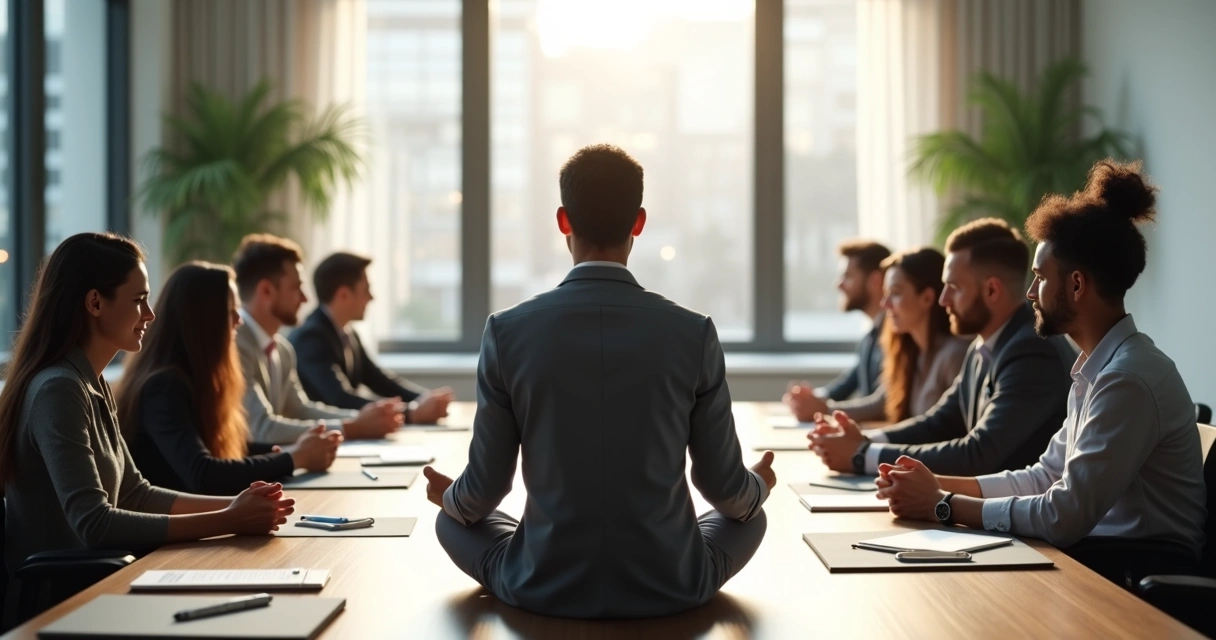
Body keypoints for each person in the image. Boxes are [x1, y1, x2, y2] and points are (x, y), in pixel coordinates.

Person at [422, 144, 774, 619]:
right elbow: (725, 491)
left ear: (563, 221)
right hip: (673, 584)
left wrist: (450, 499)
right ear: (639, 222)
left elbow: (484, 492)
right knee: (751, 516)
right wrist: (759, 485)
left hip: (541, 584)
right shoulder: (694, 332)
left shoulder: (506, 331)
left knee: (451, 522)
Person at [877, 161, 1206, 584]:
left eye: (1039, 278)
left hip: (1132, 572)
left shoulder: (1127, 379)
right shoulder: (1098, 369)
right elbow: (1045, 476)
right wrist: (932, 484)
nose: (1030, 293)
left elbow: (1062, 515)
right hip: (1100, 559)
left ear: (1076, 285)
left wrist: (941, 504)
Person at [0, 233, 295, 572]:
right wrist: (230, 519)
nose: (150, 314)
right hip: (63, 593)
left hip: (101, 577)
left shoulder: (90, 382)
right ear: (95, 303)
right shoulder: (59, 389)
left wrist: (238, 506)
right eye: (139, 300)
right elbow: (95, 524)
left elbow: (135, 493)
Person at [808, 218, 1074, 477]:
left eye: (953, 287)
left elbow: (977, 454)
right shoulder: (984, 345)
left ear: (992, 290)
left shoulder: (1031, 352)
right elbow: (939, 422)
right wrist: (864, 440)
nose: (943, 299)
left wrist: (863, 455)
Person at [116, 262, 342, 496]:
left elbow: (222, 446)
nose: (239, 320)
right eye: (230, 311)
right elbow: (204, 474)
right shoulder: (163, 387)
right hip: (172, 519)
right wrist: (295, 457)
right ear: (203, 320)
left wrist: (287, 452)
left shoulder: (192, 377)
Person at [231, 234, 401, 444]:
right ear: (266, 290)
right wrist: (353, 427)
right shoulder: (234, 345)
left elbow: (300, 410)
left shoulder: (282, 349)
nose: (305, 298)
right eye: (296, 288)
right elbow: (262, 429)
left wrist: (362, 420)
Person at [805, 248, 968, 423]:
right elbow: (883, 403)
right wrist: (824, 410)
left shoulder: (954, 356)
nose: (885, 304)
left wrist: (827, 412)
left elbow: (940, 430)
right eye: (886, 293)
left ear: (927, 298)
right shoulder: (909, 352)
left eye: (895, 293)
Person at [290, 252, 455, 424]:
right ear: (344, 295)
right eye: (366, 290)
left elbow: (379, 380)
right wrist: (409, 412)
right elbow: (339, 398)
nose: (371, 297)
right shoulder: (311, 337)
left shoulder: (347, 333)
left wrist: (426, 398)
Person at [784, 240, 890, 419]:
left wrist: (823, 408)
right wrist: (811, 399)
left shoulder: (898, 335)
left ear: (875, 280)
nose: (838, 284)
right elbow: (847, 384)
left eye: (847, 276)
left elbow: (883, 404)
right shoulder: (871, 336)